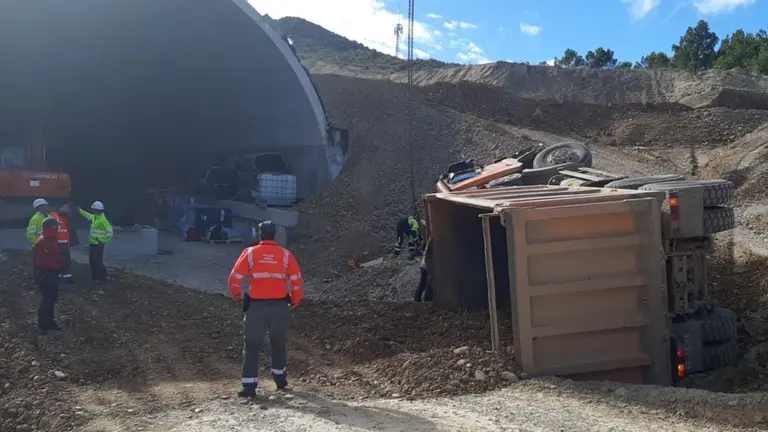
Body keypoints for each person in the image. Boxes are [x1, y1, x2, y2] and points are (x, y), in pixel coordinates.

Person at [228, 221, 304, 397]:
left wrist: (236, 294)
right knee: (278, 343)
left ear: (260, 234)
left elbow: (235, 277)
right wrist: (295, 300)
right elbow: (297, 281)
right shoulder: (286, 255)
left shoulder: (250, 253)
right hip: (279, 307)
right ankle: (280, 380)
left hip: (256, 307)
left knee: (252, 344)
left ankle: (249, 386)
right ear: (275, 235)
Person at [33, 217, 66, 331]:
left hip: (51, 273)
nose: (58, 228)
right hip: (47, 274)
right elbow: (51, 259)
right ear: (51, 227)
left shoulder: (50, 240)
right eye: (56, 226)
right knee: (48, 299)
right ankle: (44, 323)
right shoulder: (44, 241)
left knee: (52, 298)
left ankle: (49, 321)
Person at [78, 201, 113, 284]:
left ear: (95, 210)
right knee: (94, 260)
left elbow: (109, 233)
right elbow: (88, 216)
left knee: (96, 261)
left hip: (98, 244)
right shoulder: (96, 217)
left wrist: (101, 241)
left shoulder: (102, 220)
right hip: (93, 243)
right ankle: (100, 276)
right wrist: (80, 210)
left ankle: (99, 278)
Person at [49, 204, 76, 284]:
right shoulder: (53, 216)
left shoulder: (67, 217)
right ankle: (58, 277)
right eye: (65, 207)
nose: (67, 209)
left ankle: (67, 277)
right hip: (57, 242)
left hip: (65, 242)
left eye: (67, 207)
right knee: (58, 260)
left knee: (66, 260)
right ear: (59, 208)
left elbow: (71, 230)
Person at [413, 238, 433, 302]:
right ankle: (427, 299)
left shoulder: (429, 241)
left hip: (424, 264)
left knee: (423, 283)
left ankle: (417, 299)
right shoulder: (433, 242)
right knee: (430, 282)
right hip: (427, 264)